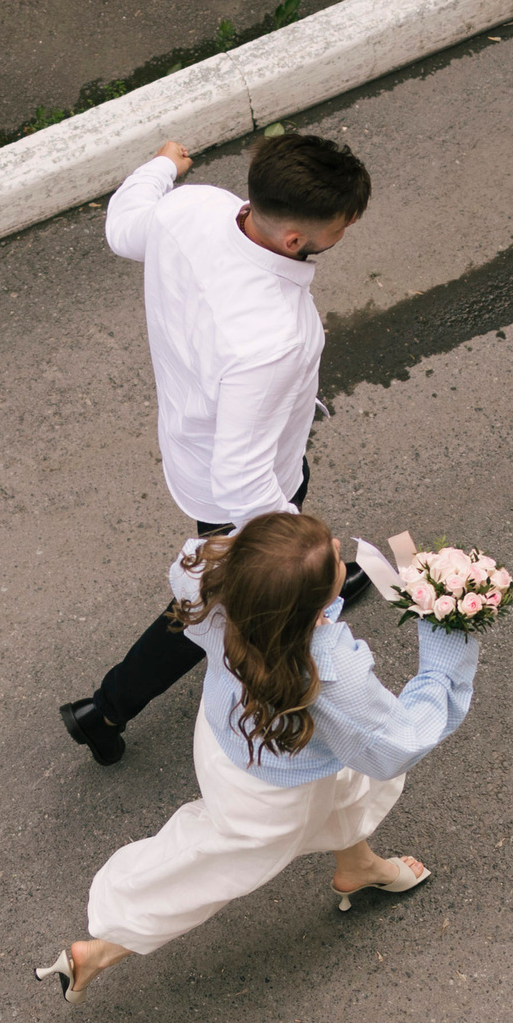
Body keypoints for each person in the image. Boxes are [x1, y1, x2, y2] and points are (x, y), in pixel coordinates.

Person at [37, 511, 481, 1003]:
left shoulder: (215, 582)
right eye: (335, 556)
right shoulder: (331, 674)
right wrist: (444, 657)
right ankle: (99, 950)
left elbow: (204, 560)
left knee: (345, 779)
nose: (338, 545)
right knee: (214, 864)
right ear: (311, 612)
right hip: (270, 792)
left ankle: (359, 864)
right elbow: (397, 744)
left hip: (229, 737)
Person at [59, 132, 373, 768]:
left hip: (193, 439)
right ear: (294, 241)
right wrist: (310, 553)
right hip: (239, 484)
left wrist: (161, 167)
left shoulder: (192, 207)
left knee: (226, 580)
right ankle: (107, 707)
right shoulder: (273, 338)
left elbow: (123, 229)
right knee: (219, 601)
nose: (346, 231)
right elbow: (241, 477)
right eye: (342, 225)